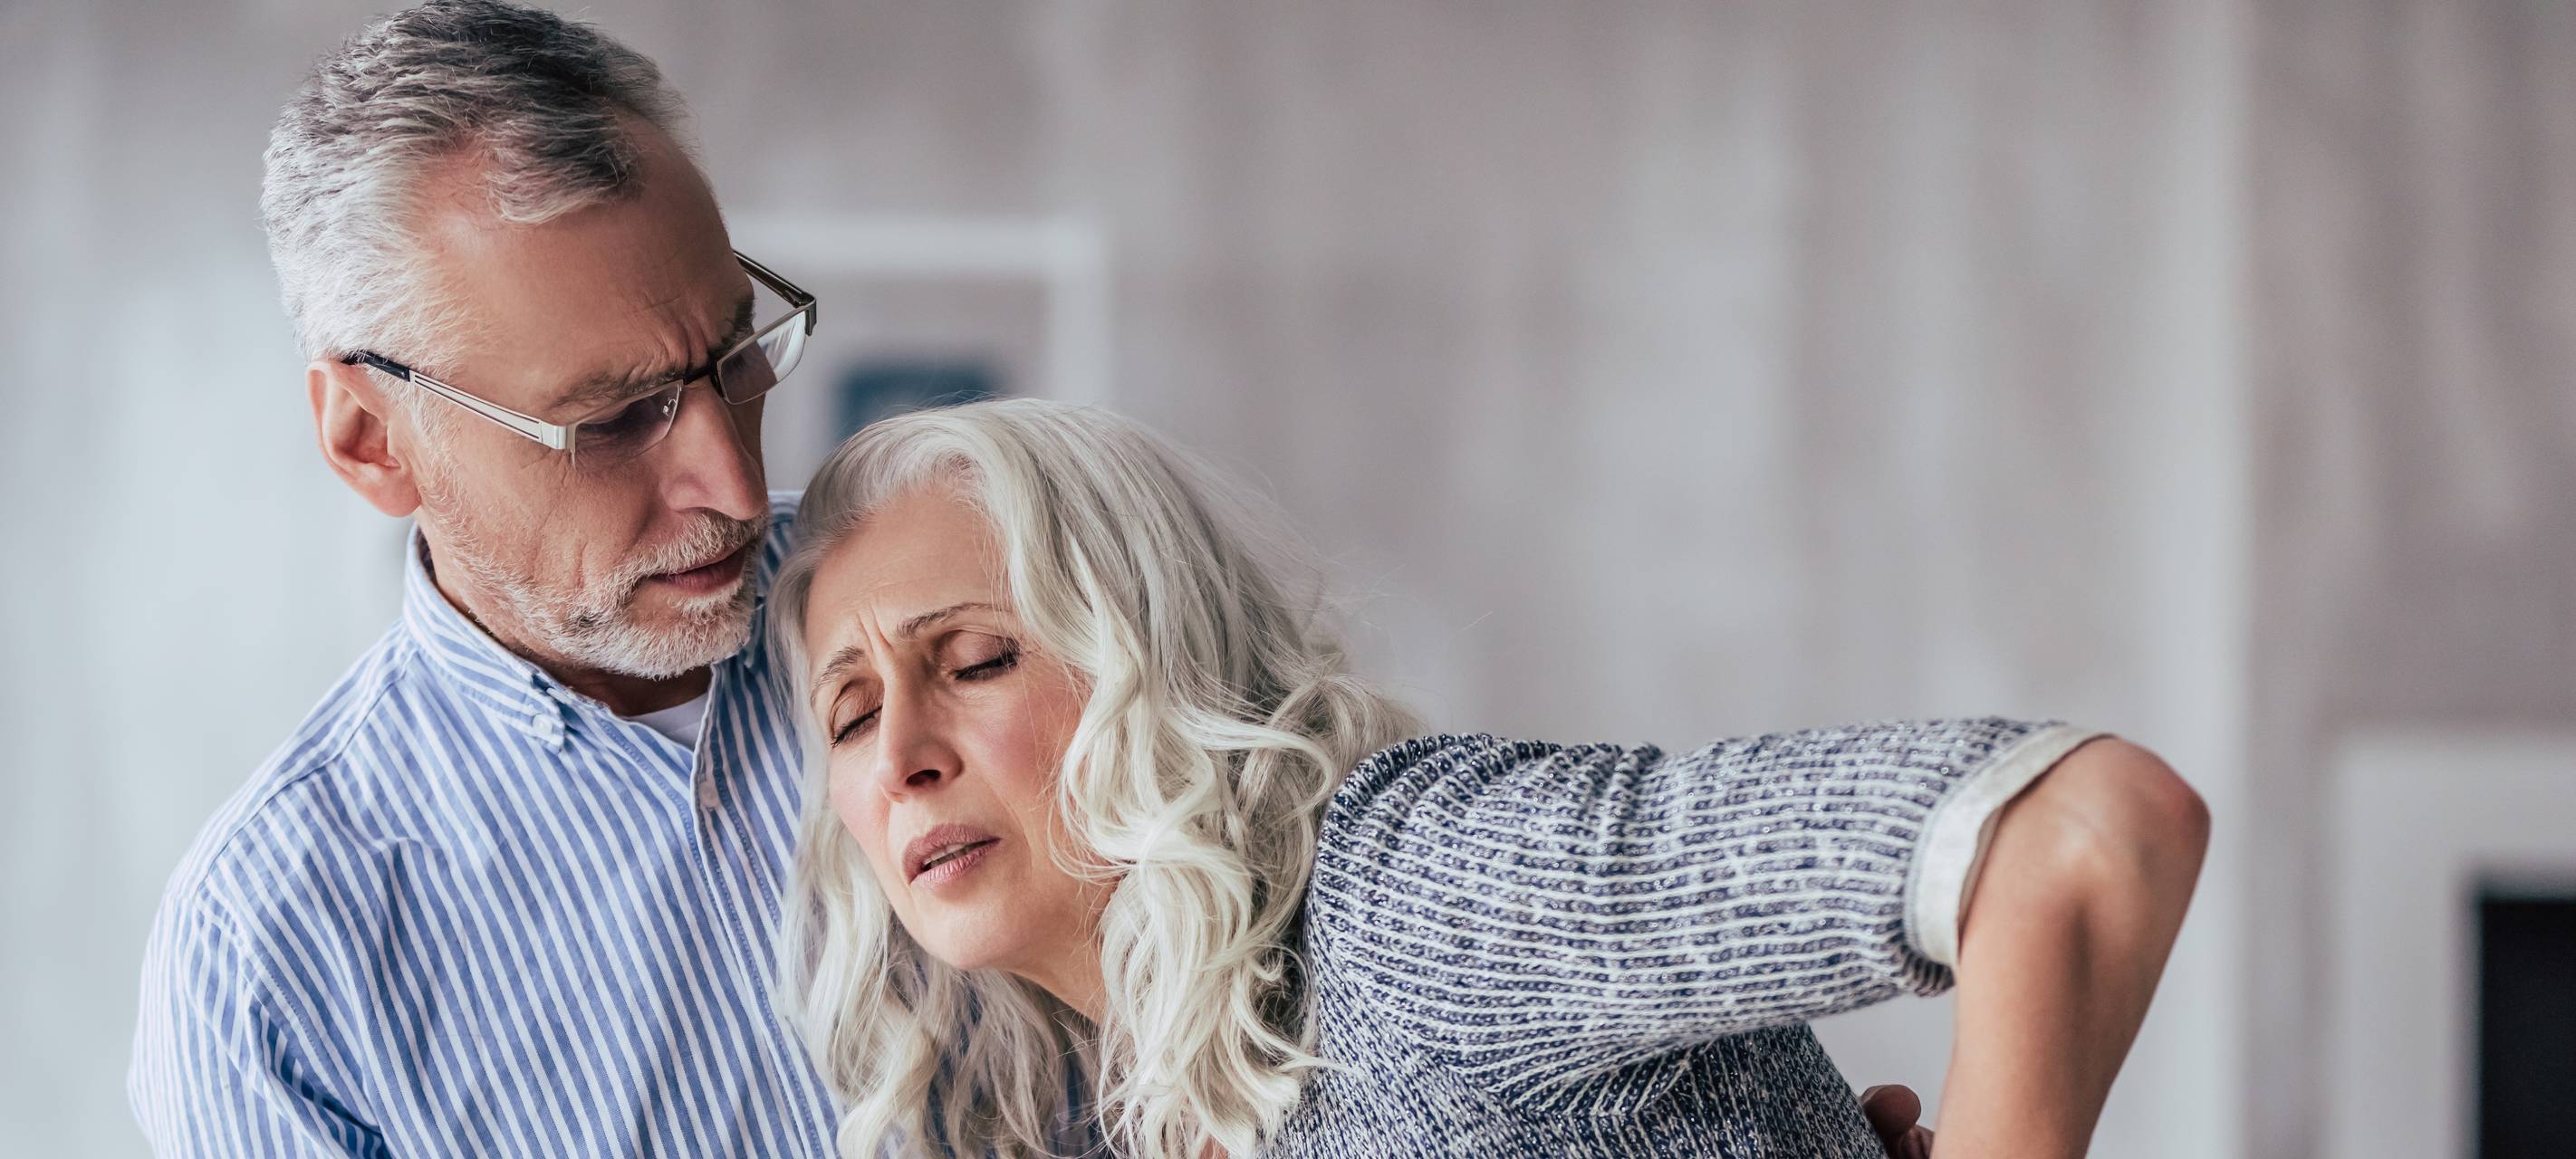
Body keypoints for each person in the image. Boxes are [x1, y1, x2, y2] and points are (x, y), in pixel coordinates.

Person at [129, 3, 1945, 1155]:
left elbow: (1362, 987)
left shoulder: (956, 610)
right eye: (613, 421)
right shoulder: (281, 956)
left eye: (736, 357)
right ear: (372, 442)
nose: (730, 476)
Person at [772, 399, 2210, 1158]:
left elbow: (2078, 828)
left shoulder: (1410, 905)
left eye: (971, 661)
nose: (900, 755)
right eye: (848, 714)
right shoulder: (1146, 1104)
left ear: (1157, 656)